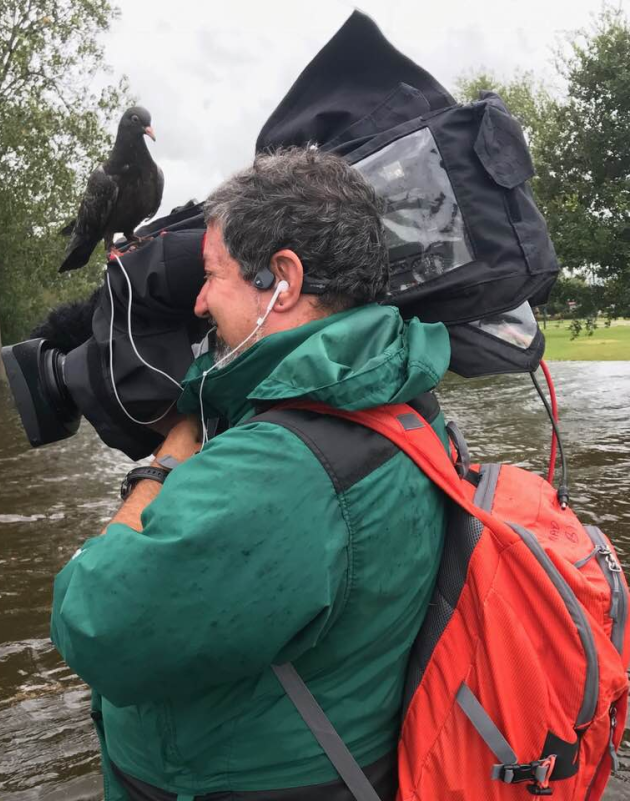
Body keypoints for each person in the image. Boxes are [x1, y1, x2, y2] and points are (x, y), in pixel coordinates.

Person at [51, 148, 451, 801]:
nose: (201, 303)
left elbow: (93, 620)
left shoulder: (278, 470)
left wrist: (166, 459)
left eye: (212, 275)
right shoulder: (398, 395)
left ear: (284, 279)